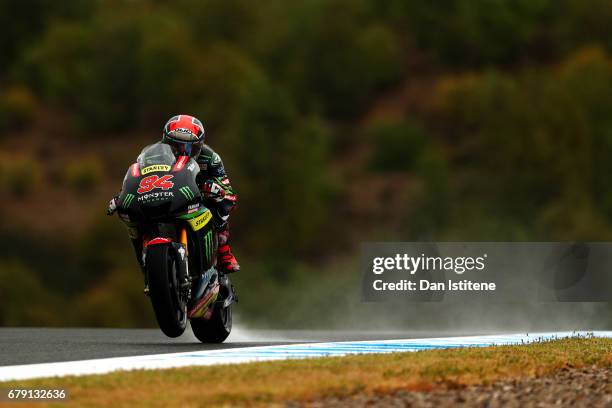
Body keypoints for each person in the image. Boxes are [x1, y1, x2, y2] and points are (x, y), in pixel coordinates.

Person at [107, 114, 240, 274]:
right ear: (165, 142)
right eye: (175, 146)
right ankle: (143, 258)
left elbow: (228, 190)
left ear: (200, 145)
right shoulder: (151, 155)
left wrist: (214, 189)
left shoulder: (211, 159)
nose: (183, 152)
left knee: (223, 204)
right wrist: (122, 196)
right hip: (165, 193)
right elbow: (138, 177)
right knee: (131, 216)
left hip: (198, 195)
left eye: (190, 147)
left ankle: (224, 252)